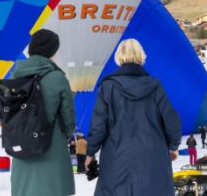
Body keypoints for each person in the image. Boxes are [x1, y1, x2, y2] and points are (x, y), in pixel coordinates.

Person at [86, 39, 181, 196]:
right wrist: (173, 146)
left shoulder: (108, 87)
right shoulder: (154, 85)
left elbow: (98, 126)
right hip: (152, 157)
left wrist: (90, 153)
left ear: (118, 57)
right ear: (141, 57)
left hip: (116, 158)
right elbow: (172, 120)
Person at [9, 29, 76, 196]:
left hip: (21, 152)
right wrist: (62, 137)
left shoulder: (14, 78)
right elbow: (69, 120)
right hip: (52, 149)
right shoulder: (57, 78)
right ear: (52, 51)